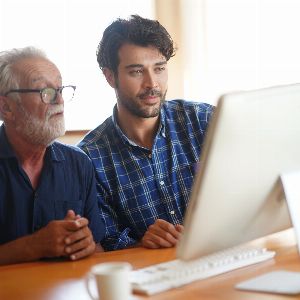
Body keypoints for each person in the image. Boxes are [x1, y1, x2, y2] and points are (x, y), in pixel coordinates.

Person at [78, 15, 214, 251]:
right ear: (110, 76)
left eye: (159, 68)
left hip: (224, 260)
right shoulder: (90, 158)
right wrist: (142, 244)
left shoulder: (204, 120)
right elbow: (105, 243)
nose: (152, 83)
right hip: (150, 279)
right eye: (136, 72)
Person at [0, 46, 104, 265]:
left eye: (61, 89)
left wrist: (86, 245)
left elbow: (97, 249)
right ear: (6, 107)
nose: (59, 100)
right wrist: (32, 246)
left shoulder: (79, 164)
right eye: (45, 92)